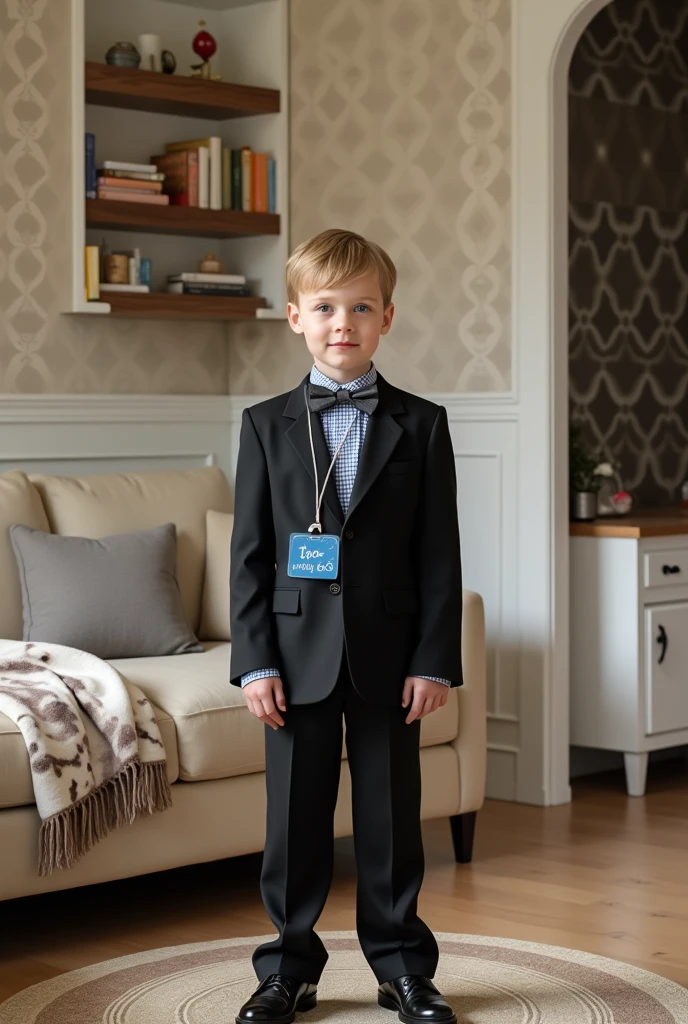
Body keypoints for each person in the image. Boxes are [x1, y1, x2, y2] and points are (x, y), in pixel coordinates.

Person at [230, 228, 463, 1024]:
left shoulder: (423, 424)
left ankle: (403, 968)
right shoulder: (264, 425)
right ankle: (287, 969)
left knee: (392, 821)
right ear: (294, 315)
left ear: (387, 317)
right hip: (293, 661)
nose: (343, 323)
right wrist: (255, 662)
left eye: (361, 307)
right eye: (325, 307)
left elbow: (440, 555)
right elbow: (250, 557)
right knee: (294, 824)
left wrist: (434, 660)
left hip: (389, 656)